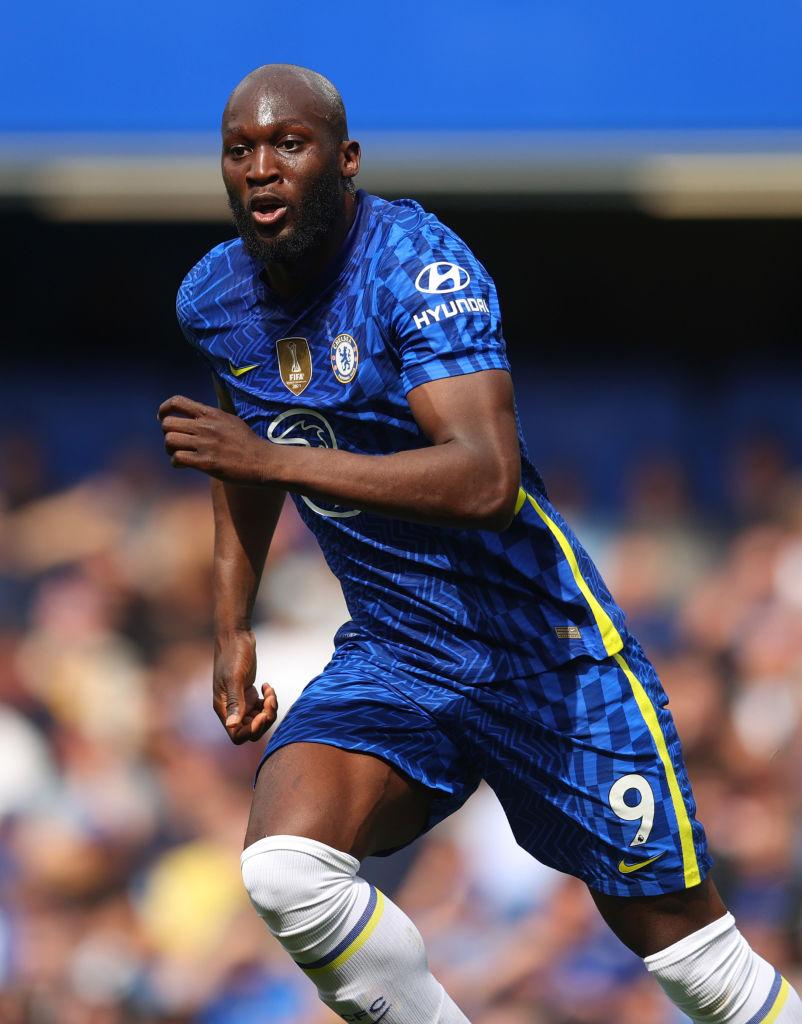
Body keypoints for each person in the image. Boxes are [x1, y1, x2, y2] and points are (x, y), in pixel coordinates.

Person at [158, 63, 802, 1024]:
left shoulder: (418, 268)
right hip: (398, 654)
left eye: (289, 145)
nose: (261, 168)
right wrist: (230, 623)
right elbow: (241, 456)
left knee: (696, 965)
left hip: (545, 655)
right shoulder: (216, 298)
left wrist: (274, 460)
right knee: (286, 871)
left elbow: (484, 480)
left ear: (345, 159)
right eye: (239, 150)